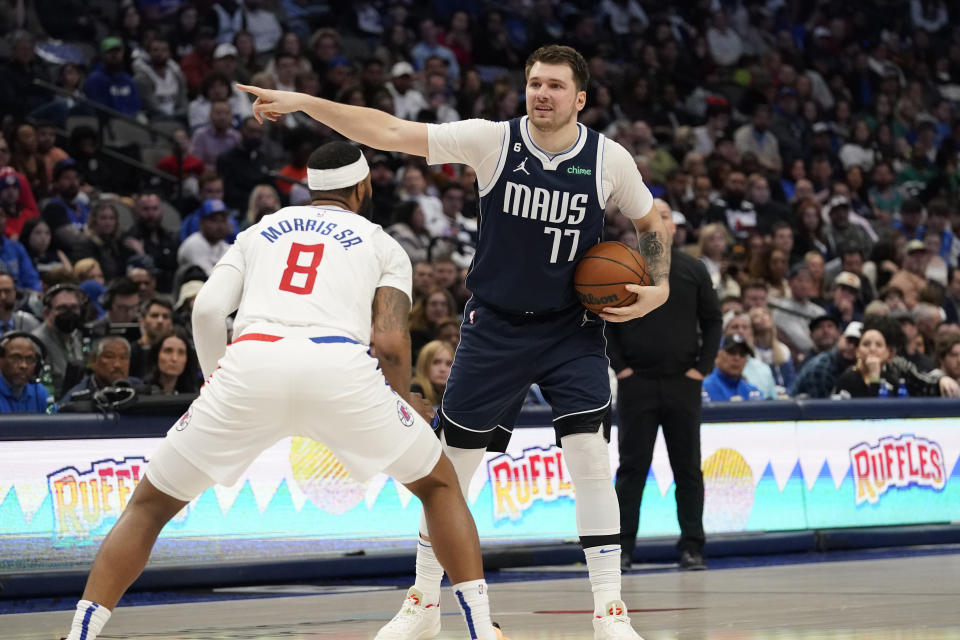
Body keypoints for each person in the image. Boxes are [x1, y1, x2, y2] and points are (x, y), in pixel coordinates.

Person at [238, 43, 671, 640]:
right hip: (494, 326)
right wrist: (306, 102)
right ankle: (422, 603)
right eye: (534, 83)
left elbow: (652, 224)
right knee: (448, 470)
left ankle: (609, 612)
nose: (541, 93)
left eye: (554, 86)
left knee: (592, 460)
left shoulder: (608, 161)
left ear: (580, 98)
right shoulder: (493, 141)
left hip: (571, 328)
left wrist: (662, 285)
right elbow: (389, 130)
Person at [61, 141, 509, 640]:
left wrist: (217, 384)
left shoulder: (258, 231)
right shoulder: (382, 242)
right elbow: (389, 338)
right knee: (439, 485)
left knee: (149, 507)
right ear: (362, 188)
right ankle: (479, 631)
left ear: (310, 190)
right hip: (339, 366)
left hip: (252, 361)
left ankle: (81, 633)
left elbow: (207, 312)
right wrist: (400, 398)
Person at [605, 199, 721, 574]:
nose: (658, 221)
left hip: (682, 384)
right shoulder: (622, 268)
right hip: (637, 384)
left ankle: (692, 548)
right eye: (649, 216)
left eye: (665, 216)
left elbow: (714, 321)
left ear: (675, 227)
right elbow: (606, 321)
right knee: (631, 470)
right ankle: (622, 549)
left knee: (688, 469)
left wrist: (701, 369)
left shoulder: (693, 269)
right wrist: (621, 369)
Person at [31, 284, 86, 399]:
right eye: (62, 308)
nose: (69, 313)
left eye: (74, 307)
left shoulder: (77, 336)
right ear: (47, 313)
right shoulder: (36, 342)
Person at [60, 335, 140, 404]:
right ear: (93, 361)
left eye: (123, 358)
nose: (117, 365)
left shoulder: (139, 388)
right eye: (109, 357)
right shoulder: (76, 398)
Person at [832, 328, 897, 398]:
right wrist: (874, 376)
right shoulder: (847, 379)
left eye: (878, 345)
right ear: (857, 352)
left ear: (887, 352)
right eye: (866, 344)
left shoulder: (892, 381)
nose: (872, 349)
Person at [701, 334, 762, 401]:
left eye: (742, 354)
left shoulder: (753, 392)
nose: (737, 358)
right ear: (717, 355)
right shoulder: (702, 390)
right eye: (731, 352)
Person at [0, 331, 50, 413]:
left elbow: (54, 416)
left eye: (30, 359)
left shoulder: (38, 391)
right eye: (15, 358)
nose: (24, 365)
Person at [145, 328, 199, 394]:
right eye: (168, 351)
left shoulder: (196, 396)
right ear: (156, 355)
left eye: (181, 352)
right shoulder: (140, 392)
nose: (174, 358)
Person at [411, 339, 455, 407]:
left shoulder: (451, 394)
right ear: (424, 365)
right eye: (436, 362)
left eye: (449, 364)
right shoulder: (414, 392)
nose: (442, 369)